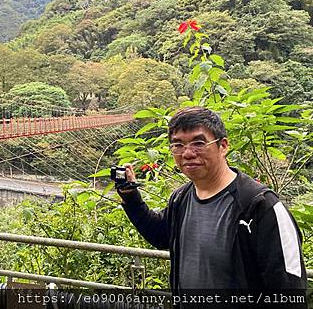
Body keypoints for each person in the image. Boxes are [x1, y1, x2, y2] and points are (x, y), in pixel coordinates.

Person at [117, 106, 307, 307]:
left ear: (223, 146)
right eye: (178, 145)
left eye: (198, 143)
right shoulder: (181, 198)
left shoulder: (261, 206)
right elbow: (161, 235)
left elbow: (289, 290)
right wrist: (131, 198)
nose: (188, 153)